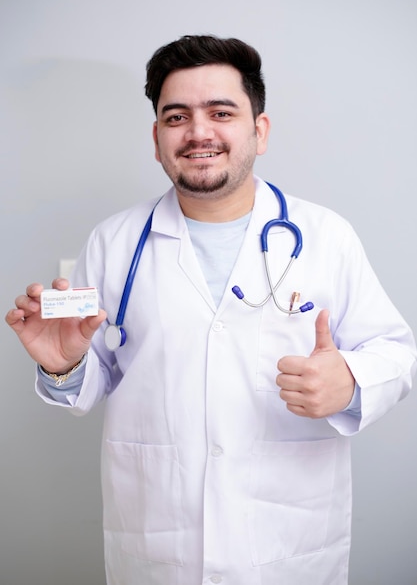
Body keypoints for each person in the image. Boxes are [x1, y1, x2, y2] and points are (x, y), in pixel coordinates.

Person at [5, 34, 416, 585]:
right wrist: (62, 365)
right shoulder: (115, 242)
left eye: (221, 112)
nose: (198, 132)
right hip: (157, 552)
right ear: (156, 139)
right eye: (177, 117)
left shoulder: (325, 236)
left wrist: (350, 381)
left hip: (287, 550)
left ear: (258, 130)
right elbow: (91, 378)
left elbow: (396, 351)